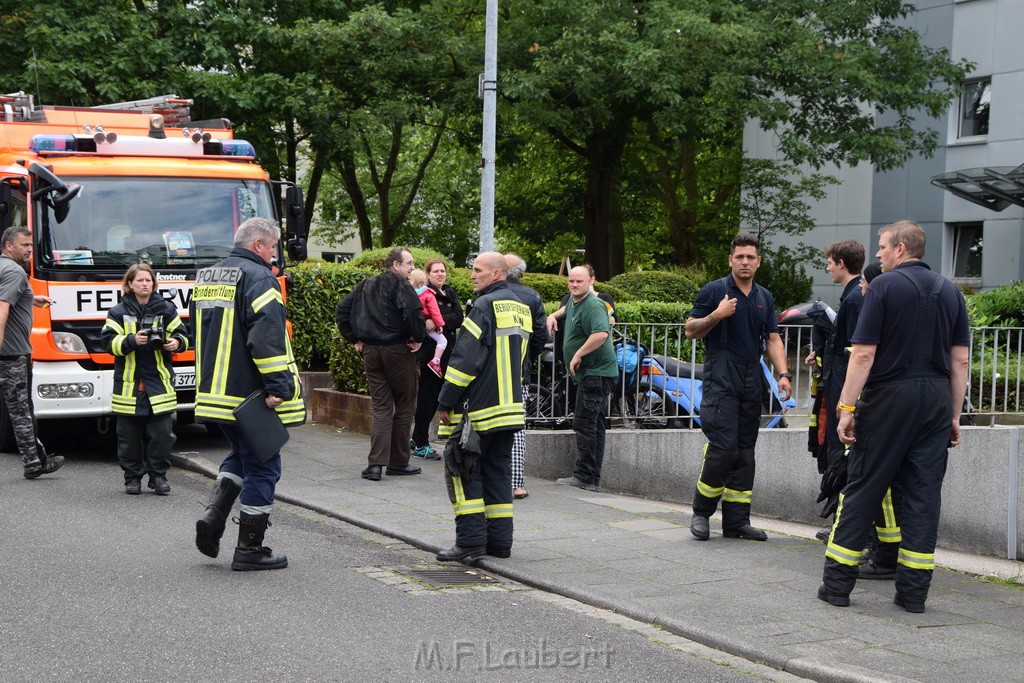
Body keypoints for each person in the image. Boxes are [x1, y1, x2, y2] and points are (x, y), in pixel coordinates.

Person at [819, 220, 970, 613]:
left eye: (883, 246)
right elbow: (961, 360)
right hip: (935, 400)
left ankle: (837, 587)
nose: (880, 253)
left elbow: (864, 354)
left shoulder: (883, 287)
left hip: (889, 399)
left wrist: (847, 408)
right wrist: (954, 415)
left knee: (865, 487)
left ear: (901, 249)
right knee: (923, 498)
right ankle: (913, 596)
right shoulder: (950, 291)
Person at [191, 217, 305, 571]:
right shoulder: (260, 278)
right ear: (258, 245)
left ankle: (213, 517)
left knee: (242, 456)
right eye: (272, 247)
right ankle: (250, 548)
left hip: (214, 392)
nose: (274, 255)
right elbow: (266, 338)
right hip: (250, 395)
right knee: (264, 467)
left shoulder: (208, 276)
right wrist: (279, 387)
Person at [685, 234, 792, 542]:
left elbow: (772, 339)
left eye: (751, 257)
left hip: (750, 379)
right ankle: (701, 513)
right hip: (721, 378)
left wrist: (783, 374)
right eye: (740, 257)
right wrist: (717, 315)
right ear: (730, 260)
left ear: (758, 262)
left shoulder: (764, 297)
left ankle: (736, 522)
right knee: (723, 448)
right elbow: (690, 330)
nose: (745, 262)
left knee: (745, 452)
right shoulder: (715, 290)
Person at [435, 251, 532, 563]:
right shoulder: (522, 308)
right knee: (498, 473)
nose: (472, 275)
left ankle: (470, 542)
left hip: (481, 408)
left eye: (478, 270)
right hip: (511, 407)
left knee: (461, 468)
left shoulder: (483, 306)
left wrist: (446, 400)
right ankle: (499, 543)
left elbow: (465, 359)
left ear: (496, 274)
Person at [336, 246, 426, 481]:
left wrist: (354, 338)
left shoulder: (366, 284)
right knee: (405, 404)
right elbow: (414, 313)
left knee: (381, 407)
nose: (412, 268)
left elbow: (341, 310)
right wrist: (418, 339)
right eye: (409, 264)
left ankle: (375, 465)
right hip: (397, 350)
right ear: (396, 265)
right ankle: (398, 462)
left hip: (371, 352)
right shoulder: (401, 285)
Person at [101, 263, 190, 495]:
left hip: (158, 384)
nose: (145, 284)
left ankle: (158, 477)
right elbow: (108, 344)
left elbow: (184, 335)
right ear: (130, 284)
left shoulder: (166, 309)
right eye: (140, 280)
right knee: (128, 438)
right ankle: (132, 478)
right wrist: (131, 340)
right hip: (129, 386)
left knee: (162, 435)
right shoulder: (117, 312)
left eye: (148, 280)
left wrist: (177, 343)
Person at [805, 241, 865, 538]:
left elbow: (855, 352)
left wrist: (846, 401)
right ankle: (841, 526)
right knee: (838, 458)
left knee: (842, 459)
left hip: (843, 392)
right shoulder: (853, 296)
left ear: (841, 263)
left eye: (829, 262)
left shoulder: (854, 299)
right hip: (839, 387)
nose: (827, 267)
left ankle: (844, 529)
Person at [0, 226, 63, 479]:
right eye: (24, 245)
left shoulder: (3, 268)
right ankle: (34, 462)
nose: (29, 250)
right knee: (21, 411)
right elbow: (3, 307)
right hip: (12, 355)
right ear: (8, 246)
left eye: (30, 245)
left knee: (18, 409)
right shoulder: (15, 271)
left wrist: (30, 297)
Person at [555, 265, 618, 492]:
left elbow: (601, 334)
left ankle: (585, 476)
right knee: (595, 425)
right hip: (592, 374)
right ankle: (591, 477)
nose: (574, 285)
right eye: (571, 281)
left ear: (591, 281)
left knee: (584, 424)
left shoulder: (593, 304)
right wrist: (553, 315)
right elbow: (564, 311)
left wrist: (578, 354)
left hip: (596, 374)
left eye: (579, 281)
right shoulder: (574, 300)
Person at [503, 253, 548, 499]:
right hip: (520, 372)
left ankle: (489, 479)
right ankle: (516, 483)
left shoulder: (488, 295)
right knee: (517, 426)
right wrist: (527, 355)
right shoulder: (532, 296)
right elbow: (541, 334)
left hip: (491, 374)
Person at [410, 258, 463, 461]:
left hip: (448, 355)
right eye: (436, 271)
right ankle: (420, 442)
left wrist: (439, 321)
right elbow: (420, 318)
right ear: (428, 274)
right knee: (427, 400)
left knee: (441, 400)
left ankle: (421, 439)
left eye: (443, 271)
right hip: (430, 356)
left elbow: (459, 317)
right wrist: (430, 321)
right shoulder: (424, 292)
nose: (440, 274)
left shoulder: (449, 292)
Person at [408, 268, 447, 378]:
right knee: (443, 341)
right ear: (423, 282)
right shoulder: (428, 294)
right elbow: (435, 311)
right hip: (429, 324)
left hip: (415, 325)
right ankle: (436, 361)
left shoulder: (410, 295)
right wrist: (439, 324)